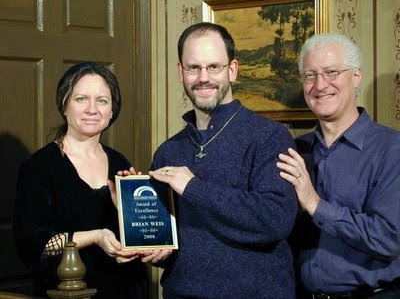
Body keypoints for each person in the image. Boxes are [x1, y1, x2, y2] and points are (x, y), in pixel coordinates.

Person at [144, 22, 298, 298]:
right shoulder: (168, 151)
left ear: (233, 70)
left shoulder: (270, 137)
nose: (203, 77)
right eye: (193, 67)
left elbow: (274, 221)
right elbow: (173, 243)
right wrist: (151, 241)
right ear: (181, 72)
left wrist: (194, 188)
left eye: (214, 67)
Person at [277, 33, 400, 298]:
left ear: (356, 77)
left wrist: (314, 203)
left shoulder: (392, 149)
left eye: (331, 72)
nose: (320, 85)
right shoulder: (294, 151)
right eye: (310, 76)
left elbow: (387, 238)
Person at [13, 62, 148, 298]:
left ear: (112, 111)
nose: (92, 109)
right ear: (64, 105)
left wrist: (129, 211)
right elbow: (34, 248)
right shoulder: (39, 167)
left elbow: (142, 236)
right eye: (81, 99)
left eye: (102, 101)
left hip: (126, 289)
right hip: (67, 293)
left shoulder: (120, 163)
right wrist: (95, 237)